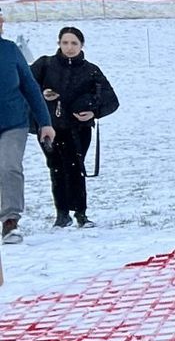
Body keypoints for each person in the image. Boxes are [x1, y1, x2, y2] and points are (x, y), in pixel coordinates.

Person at [30, 26, 119, 228]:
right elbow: (27, 86)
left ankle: (80, 213)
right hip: (49, 127)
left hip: (78, 130)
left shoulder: (91, 70)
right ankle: (62, 213)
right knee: (56, 168)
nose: (69, 48)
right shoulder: (45, 65)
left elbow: (112, 100)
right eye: (65, 43)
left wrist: (93, 112)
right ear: (59, 43)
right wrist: (43, 94)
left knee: (75, 167)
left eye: (74, 43)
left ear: (81, 45)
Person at [0, 7, 56, 244]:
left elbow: (31, 88)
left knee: (9, 167)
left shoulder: (10, 50)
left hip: (13, 123)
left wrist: (45, 122)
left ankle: (10, 221)